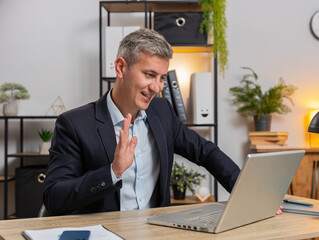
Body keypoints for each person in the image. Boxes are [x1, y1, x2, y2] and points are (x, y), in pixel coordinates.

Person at [43, 29, 241, 216]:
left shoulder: (162, 111)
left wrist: (246, 193)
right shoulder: (74, 124)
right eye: (149, 75)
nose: (156, 87)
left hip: (155, 231)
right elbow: (54, 198)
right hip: (105, 233)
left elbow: (205, 152)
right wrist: (113, 172)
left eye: (162, 78)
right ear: (121, 68)